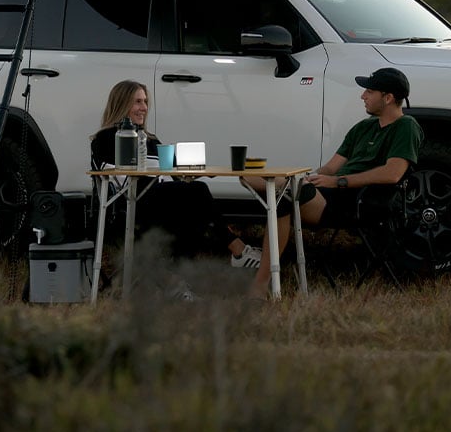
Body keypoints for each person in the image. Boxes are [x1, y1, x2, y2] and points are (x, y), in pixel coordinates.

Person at [248, 67, 424, 297]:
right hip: (327, 192)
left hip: (353, 201)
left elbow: (393, 173)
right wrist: (315, 178)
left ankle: (260, 284)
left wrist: (338, 182)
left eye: (369, 91)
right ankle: (243, 254)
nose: (363, 96)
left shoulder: (406, 126)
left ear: (388, 97)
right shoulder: (363, 127)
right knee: (251, 177)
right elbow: (331, 167)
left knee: (280, 194)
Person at [91, 79, 262, 267]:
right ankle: (237, 250)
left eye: (145, 101)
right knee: (197, 192)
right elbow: (113, 178)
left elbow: (172, 172)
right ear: (122, 103)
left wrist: (198, 171)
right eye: (137, 101)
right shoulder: (106, 137)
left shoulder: (151, 140)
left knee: (193, 203)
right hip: (131, 203)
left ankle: (177, 278)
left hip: (160, 199)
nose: (144, 108)